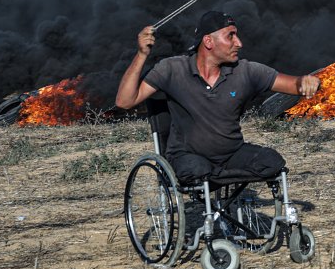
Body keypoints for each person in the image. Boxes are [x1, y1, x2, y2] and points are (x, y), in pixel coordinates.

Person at [115, 10, 321, 184]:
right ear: (208, 41)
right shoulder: (173, 69)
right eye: (230, 35)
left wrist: (307, 82)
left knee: (272, 161)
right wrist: (142, 54)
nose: (239, 43)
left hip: (232, 155)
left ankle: (220, 192)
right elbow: (124, 101)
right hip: (188, 158)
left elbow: (294, 84)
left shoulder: (247, 71)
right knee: (198, 169)